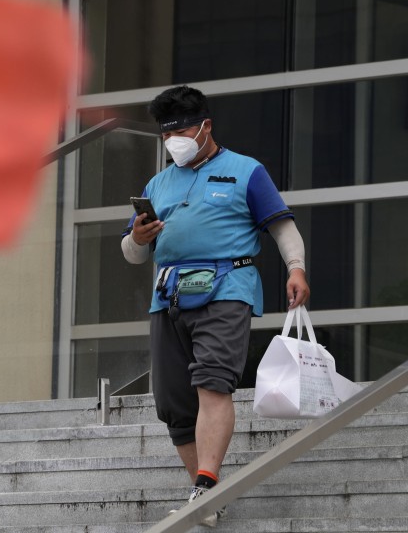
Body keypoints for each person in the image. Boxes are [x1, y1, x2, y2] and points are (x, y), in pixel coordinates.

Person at [121, 85, 309, 526]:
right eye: (166, 136)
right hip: (168, 294)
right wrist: (137, 238)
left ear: (206, 126)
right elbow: (132, 253)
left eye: (182, 132)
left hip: (227, 286)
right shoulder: (158, 181)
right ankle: (206, 498)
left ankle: (205, 487)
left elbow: (281, 227)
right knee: (172, 402)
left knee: (212, 381)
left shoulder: (246, 171)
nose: (174, 143)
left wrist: (296, 268)